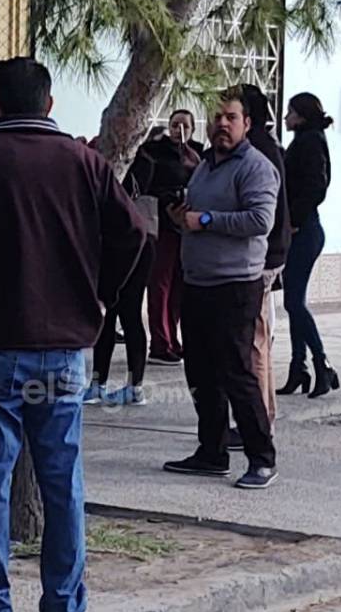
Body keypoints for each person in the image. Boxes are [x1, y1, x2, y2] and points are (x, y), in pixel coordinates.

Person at [0, 58, 146, 612]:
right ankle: (66, 604)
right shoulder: (85, 162)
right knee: (61, 475)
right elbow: (132, 233)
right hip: (66, 348)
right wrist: (100, 296)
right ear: (49, 104)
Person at [162, 87, 281, 489]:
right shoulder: (205, 165)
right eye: (216, 118)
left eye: (230, 118)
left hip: (234, 287)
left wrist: (206, 221)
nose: (221, 125)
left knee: (237, 373)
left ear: (247, 123)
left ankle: (261, 458)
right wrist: (182, 217)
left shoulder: (256, 167)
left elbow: (259, 220)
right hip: (197, 283)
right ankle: (210, 452)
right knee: (201, 373)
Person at [230, 83, 291, 443]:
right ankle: (262, 415)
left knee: (254, 340)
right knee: (260, 338)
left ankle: (259, 421)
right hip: (271, 253)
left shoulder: (258, 154)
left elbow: (259, 216)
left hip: (262, 257)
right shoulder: (265, 148)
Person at [84, 142, 156, 407]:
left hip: (125, 244)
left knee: (122, 312)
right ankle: (117, 384)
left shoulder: (126, 167)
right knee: (121, 314)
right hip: (131, 243)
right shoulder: (110, 164)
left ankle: (117, 384)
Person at [276, 93, 338, 399]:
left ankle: (320, 362)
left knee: (294, 302)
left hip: (305, 229)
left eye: (290, 112)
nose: (285, 118)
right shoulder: (303, 141)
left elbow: (317, 186)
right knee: (292, 300)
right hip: (298, 229)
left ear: (300, 116)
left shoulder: (311, 142)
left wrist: (295, 219)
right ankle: (298, 367)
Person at [140, 110, 202, 365]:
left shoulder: (196, 155)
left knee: (179, 286)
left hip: (187, 229)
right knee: (160, 285)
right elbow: (147, 185)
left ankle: (173, 339)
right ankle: (160, 342)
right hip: (163, 226)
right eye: (175, 124)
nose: (179, 129)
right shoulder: (155, 152)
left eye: (184, 125)